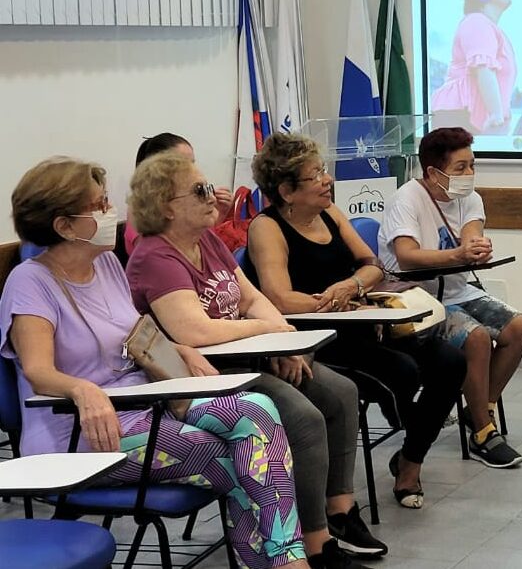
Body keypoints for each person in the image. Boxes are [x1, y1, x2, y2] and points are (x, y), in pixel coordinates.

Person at [0, 157, 311, 569]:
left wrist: (176, 350)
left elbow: (136, 337)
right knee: (238, 458)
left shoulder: (107, 264)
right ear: (64, 226)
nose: (112, 212)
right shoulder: (30, 282)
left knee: (257, 411)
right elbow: (38, 371)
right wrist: (82, 389)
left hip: (146, 404)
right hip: (80, 434)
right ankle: (286, 562)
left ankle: (285, 561)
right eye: (99, 205)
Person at [124, 152, 387, 565]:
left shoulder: (206, 240)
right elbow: (196, 332)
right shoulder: (155, 256)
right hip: (208, 375)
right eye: (199, 190)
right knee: (303, 416)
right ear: (165, 206)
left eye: (207, 185)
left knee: (340, 393)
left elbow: (250, 298)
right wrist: (269, 334)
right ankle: (315, 540)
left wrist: (287, 344)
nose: (213, 196)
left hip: (249, 357)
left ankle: (340, 511)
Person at [244, 133, 467, 504]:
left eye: (324, 171)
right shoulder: (266, 228)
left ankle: (409, 461)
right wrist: (333, 304)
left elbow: (372, 265)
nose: (327, 180)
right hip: (318, 338)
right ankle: (411, 445)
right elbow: (279, 298)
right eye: (315, 175)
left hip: (361, 320)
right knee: (404, 371)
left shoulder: (329, 212)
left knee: (449, 361)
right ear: (286, 190)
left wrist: (350, 288)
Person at [378, 127, 522, 469]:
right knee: (475, 338)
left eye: (472, 165)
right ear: (433, 172)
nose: (469, 174)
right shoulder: (407, 199)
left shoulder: (470, 198)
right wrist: (457, 256)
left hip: (458, 291)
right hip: (415, 299)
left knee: (517, 327)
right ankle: (483, 434)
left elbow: (471, 234)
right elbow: (406, 255)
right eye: (460, 168)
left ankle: (481, 409)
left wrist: (475, 248)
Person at [120, 133, 234, 259]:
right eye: (183, 164)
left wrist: (219, 214)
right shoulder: (140, 213)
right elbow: (156, 257)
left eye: (192, 163)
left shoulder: (188, 204)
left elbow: (208, 251)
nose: (192, 170)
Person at [429, 0, 516, 133]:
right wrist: (496, 115)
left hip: (467, 119)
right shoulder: (476, 22)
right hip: (459, 116)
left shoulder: (489, 27)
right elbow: (483, 70)